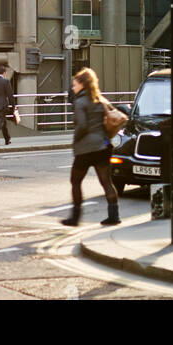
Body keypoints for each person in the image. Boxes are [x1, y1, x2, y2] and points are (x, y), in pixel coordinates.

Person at [61, 67, 119, 228]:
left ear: (82, 84)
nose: (73, 88)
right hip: (103, 146)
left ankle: (75, 217)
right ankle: (114, 215)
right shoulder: (100, 99)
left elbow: (82, 126)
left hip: (86, 149)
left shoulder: (80, 102)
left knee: (75, 181)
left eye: (75, 85)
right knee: (106, 182)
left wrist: (75, 141)